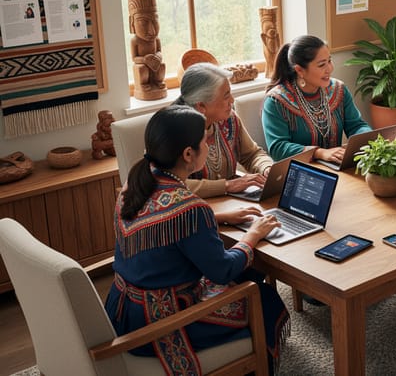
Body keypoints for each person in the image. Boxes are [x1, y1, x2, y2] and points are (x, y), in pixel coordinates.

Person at [103, 105, 289, 374]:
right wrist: (253, 235)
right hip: (160, 323)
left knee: (249, 274)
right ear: (188, 154)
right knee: (262, 297)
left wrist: (219, 217)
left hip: (124, 311)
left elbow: (162, 227)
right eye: (205, 141)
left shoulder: (134, 186)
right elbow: (223, 270)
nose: (209, 145)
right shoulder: (189, 208)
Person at [175, 63, 273, 206]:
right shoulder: (172, 131)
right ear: (201, 105)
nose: (232, 100)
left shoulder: (229, 119)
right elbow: (171, 184)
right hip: (193, 209)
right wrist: (226, 186)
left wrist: (267, 168)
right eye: (226, 96)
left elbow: (252, 154)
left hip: (230, 204)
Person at [262, 35, 371, 164]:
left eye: (329, 61)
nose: (330, 69)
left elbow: (356, 125)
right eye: (321, 65)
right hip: (298, 171)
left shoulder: (339, 90)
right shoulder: (276, 101)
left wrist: (369, 139)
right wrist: (319, 153)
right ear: (299, 70)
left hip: (336, 166)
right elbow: (278, 148)